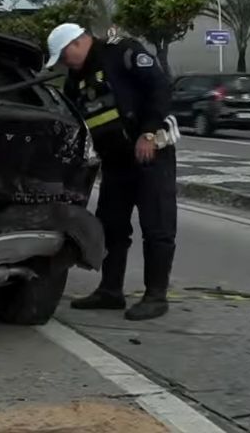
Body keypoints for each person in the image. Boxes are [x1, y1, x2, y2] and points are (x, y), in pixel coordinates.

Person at [45, 23, 179, 321]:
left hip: (150, 153)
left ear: (79, 42)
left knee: (157, 226)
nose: (64, 63)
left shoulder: (122, 53)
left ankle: (156, 296)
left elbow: (159, 87)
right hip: (116, 161)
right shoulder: (75, 78)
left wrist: (148, 134)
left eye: (65, 55)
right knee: (112, 227)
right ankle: (110, 291)